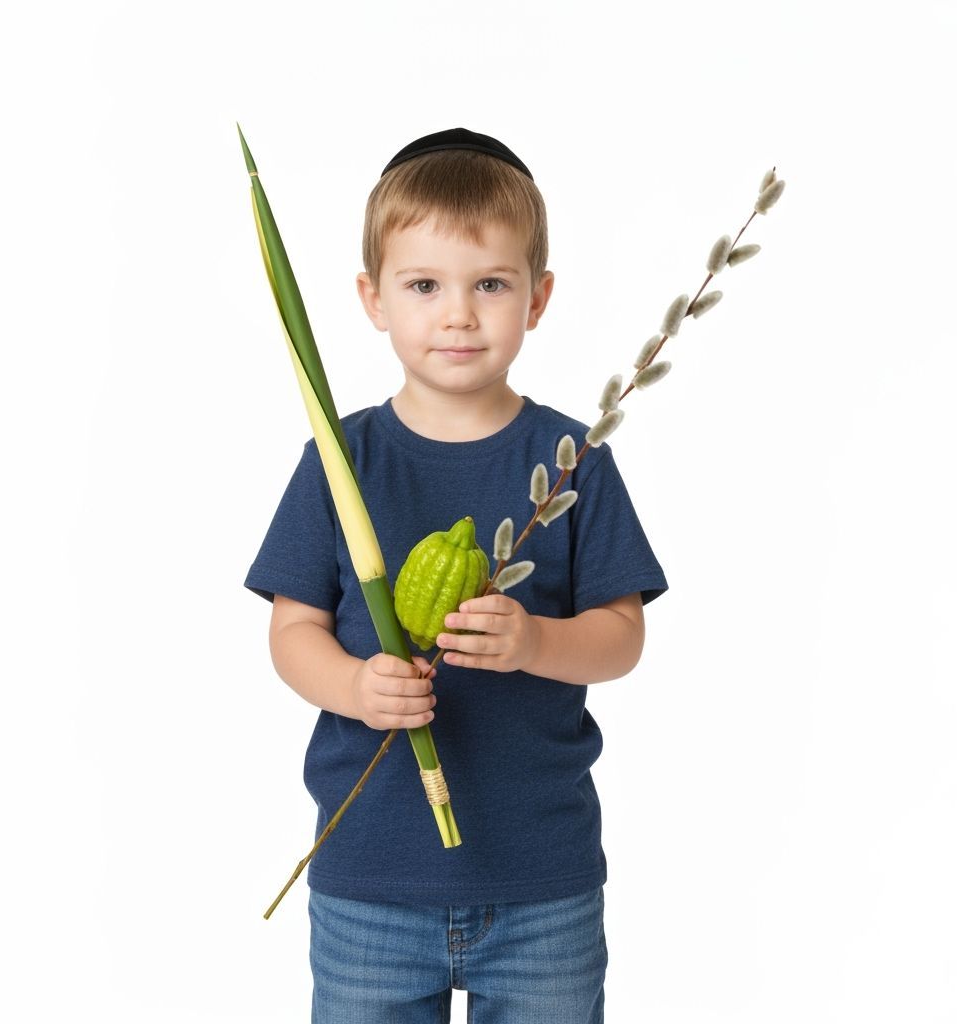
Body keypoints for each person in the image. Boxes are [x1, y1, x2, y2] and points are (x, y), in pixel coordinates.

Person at [244, 127, 669, 1023]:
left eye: (491, 285)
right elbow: (291, 632)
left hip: (541, 880)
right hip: (371, 878)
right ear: (374, 298)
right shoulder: (339, 457)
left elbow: (622, 636)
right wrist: (356, 686)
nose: (459, 315)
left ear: (538, 298)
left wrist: (536, 640)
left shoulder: (573, 460)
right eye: (425, 286)